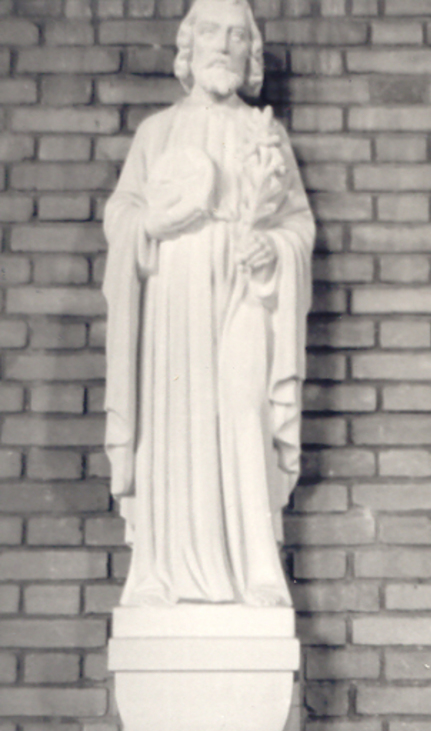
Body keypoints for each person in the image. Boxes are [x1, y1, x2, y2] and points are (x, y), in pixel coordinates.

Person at [103, 0, 314, 608]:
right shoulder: (157, 132)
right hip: (174, 290)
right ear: (189, 46)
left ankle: (256, 570)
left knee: (244, 410)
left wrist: (273, 250)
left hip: (244, 288)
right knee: (175, 415)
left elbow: (298, 226)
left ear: (251, 53)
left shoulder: (266, 134)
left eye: (238, 36)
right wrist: (152, 223)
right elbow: (121, 214)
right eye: (212, 32)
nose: (224, 45)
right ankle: (161, 572)